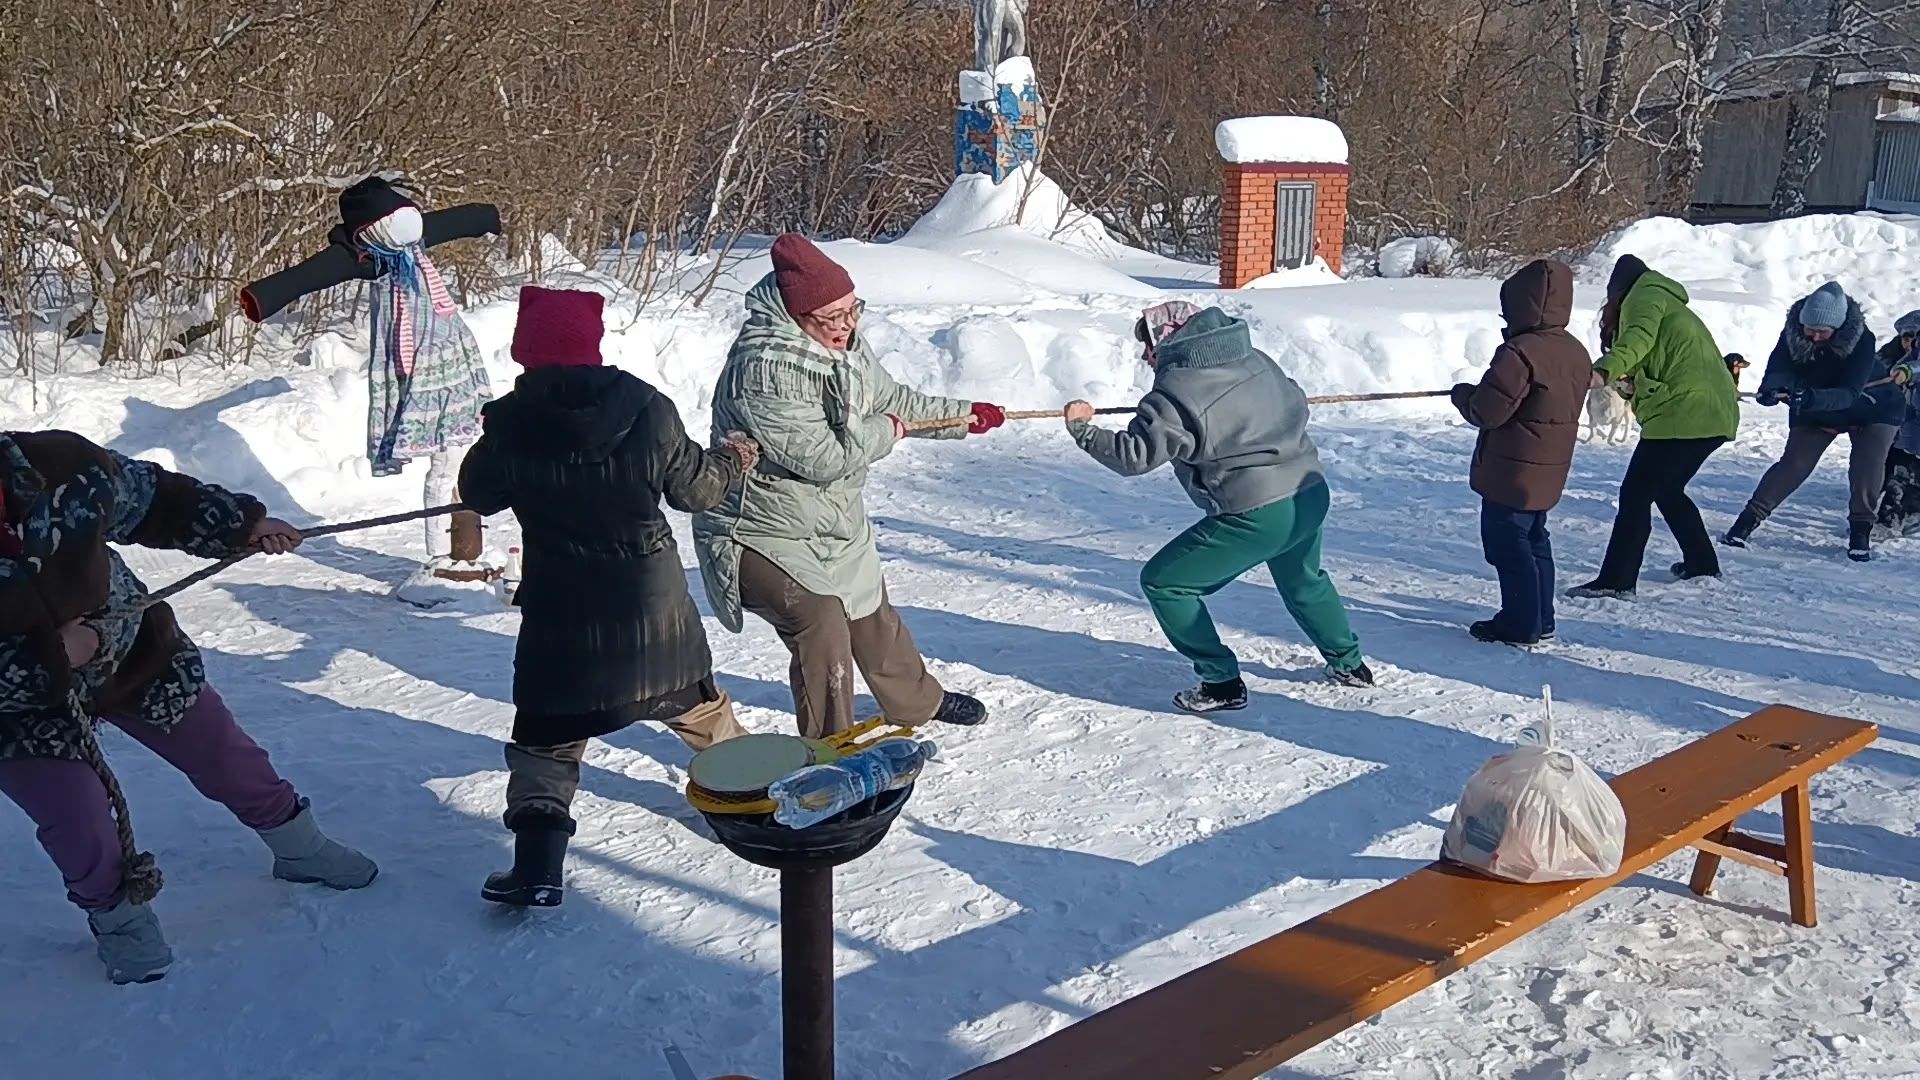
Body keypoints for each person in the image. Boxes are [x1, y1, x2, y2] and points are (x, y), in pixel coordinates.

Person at [0, 430, 375, 984]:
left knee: (222, 750)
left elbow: (154, 498)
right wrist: (52, 660)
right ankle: (119, 916)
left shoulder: (61, 464)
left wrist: (240, 525)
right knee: (75, 814)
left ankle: (298, 845)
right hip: (19, 709)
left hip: (127, 648)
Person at [459, 286, 757, 907]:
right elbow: (697, 492)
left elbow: (479, 493)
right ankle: (753, 819)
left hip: (562, 612)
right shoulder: (647, 406)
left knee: (546, 743)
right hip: (652, 606)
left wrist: (497, 436)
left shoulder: (512, 420)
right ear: (590, 347)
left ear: (526, 352)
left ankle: (538, 869)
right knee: (700, 712)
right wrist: (731, 460)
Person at [693, 234, 1004, 739]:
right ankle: (830, 742)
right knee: (823, 620)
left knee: (869, 608)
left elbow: (894, 399)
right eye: (831, 317)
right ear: (796, 315)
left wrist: (963, 417)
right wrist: (887, 431)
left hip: (829, 517)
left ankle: (917, 702)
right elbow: (822, 457)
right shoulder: (766, 369)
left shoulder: (845, 345)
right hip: (759, 529)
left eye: (852, 310)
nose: (846, 326)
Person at [1065, 301, 1374, 714]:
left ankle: (1220, 681)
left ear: (1169, 339)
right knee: (1304, 581)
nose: (1145, 356)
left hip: (1257, 511)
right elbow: (1297, 399)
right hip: (1309, 491)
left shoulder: (1176, 391)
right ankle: (1349, 663)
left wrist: (1082, 428)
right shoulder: (1256, 358)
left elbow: (1133, 455)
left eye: (1149, 346)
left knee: (1166, 582)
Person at [240, 175, 501, 586]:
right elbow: (308, 275)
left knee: (459, 456)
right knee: (443, 467)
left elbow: (454, 220)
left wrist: (487, 216)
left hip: (453, 358)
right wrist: (263, 296)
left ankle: (462, 543)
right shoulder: (367, 259)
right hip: (418, 370)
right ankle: (438, 553)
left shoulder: (413, 243)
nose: (411, 225)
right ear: (374, 230)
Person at [1566, 255, 1739, 599]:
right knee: (1667, 489)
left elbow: (1638, 341)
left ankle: (1617, 580)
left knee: (1636, 493)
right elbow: (1656, 357)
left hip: (1687, 411)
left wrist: (1602, 371)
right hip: (1711, 411)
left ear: (1618, 292)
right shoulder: (1665, 300)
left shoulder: (1644, 297)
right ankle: (1702, 563)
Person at [1450, 260, 1592, 645]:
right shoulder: (1576, 351)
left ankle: (1520, 623)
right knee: (1534, 539)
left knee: (1507, 545)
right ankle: (1541, 617)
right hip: (1549, 468)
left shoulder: (1519, 352)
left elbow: (1487, 411)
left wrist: (1463, 394)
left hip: (1511, 470)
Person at [1725, 281, 1905, 562]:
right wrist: (1772, 389)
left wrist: (1809, 399)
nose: (1815, 336)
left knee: (1865, 467)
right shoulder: (1793, 334)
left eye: (1823, 331)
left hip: (1872, 407)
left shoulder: (1862, 339)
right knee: (1794, 464)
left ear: (1839, 327)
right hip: (1814, 404)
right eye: (1810, 329)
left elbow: (1849, 392)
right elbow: (1779, 367)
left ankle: (1861, 530)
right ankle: (1746, 523)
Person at [1874, 311, 1920, 540]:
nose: (1909, 341)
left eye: (1915, 336)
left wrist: (1908, 372)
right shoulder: (1889, 358)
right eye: (1906, 335)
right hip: (1898, 431)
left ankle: (1898, 515)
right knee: (1893, 474)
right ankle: (1888, 514)